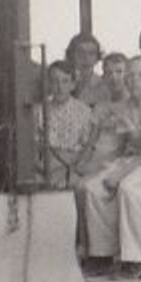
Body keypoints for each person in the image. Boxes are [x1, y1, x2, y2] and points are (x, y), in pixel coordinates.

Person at [80, 57, 141, 277]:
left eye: (140, 75)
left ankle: (136, 259)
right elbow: (138, 143)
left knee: (129, 189)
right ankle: (102, 254)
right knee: (92, 188)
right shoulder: (127, 107)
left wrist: (122, 172)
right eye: (129, 75)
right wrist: (116, 169)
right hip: (136, 157)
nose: (132, 80)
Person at [36, 60, 96, 189]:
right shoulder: (40, 110)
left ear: (73, 84)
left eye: (65, 81)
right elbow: (34, 148)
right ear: (48, 84)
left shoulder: (84, 111)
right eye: (54, 81)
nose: (59, 87)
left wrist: (68, 168)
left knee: (77, 186)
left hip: (72, 166)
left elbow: (87, 148)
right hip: (45, 166)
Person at [66, 33, 111, 107]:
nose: (86, 58)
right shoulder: (61, 83)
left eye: (91, 53)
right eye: (81, 53)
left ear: (97, 58)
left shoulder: (104, 87)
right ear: (71, 55)